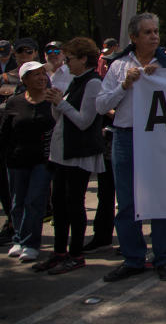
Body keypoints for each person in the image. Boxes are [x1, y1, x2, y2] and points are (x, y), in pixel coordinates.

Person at [96, 12, 166, 282]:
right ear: (134, 37)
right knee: (126, 203)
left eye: (156, 31)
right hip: (125, 137)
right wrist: (125, 85)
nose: (154, 36)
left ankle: (162, 258)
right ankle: (133, 258)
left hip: (158, 139)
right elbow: (101, 105)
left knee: (159, 201)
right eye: (147, 32)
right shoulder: (119, 66)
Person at [31, 37, 105, 274]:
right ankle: (59, 252)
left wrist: (60, 103)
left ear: (83, 59)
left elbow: (85, 121)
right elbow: (60, 118)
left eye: (70, 58)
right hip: (61, 152)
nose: (67, 62)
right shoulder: (75, 80)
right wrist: (56, 103)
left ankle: (75, 253)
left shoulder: (93, 83)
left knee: (75, 205)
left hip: (79, 153)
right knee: (60, 205)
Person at [0, 61, 55, 262]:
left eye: (43, 74)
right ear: (24, 80)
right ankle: (18, 240)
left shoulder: (53, 99)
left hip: (43, 160)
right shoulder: (14, 102)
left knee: (34, 201)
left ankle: (31, 243)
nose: (41, 78)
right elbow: (4, 132)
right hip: (16, 160)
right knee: (17, 202)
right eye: (35, 75)